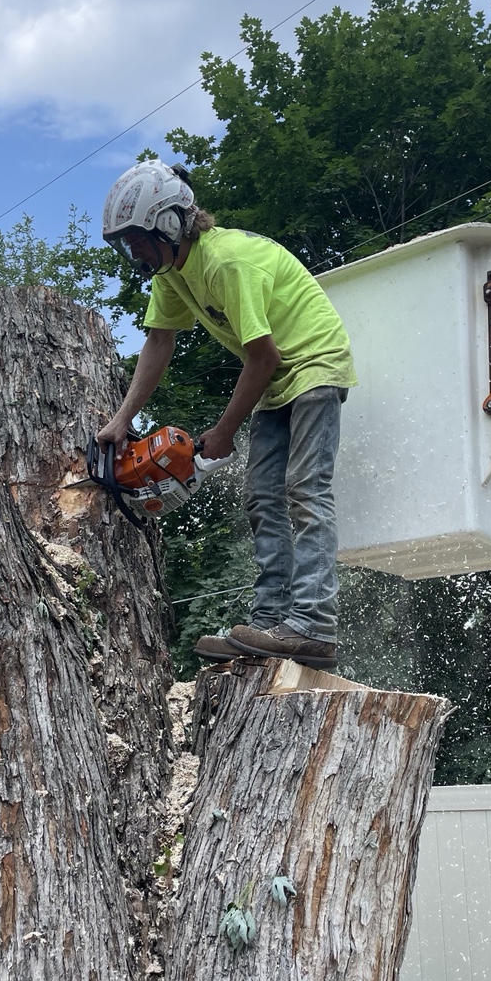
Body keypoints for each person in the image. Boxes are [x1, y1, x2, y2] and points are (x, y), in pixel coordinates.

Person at [99, 159, 357, 670]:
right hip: (275, 378)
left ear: (170, 225)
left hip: (314, 363)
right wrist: (122, 419)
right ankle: (268, 627)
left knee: (304, 487)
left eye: (138, 240)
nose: (134, 252)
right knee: (262, 496)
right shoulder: (172, 272)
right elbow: (159, 340)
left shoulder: (226, 263)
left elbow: (265, 357)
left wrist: (223, 430)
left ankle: (313, 626)